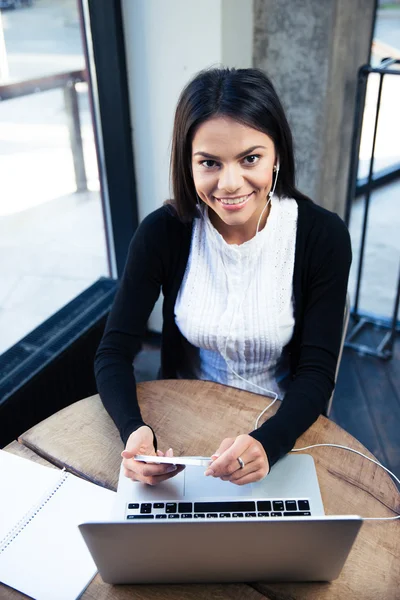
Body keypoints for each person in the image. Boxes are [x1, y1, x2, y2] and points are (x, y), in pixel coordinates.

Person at [94, 67, 352, 487]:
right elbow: (113, 352)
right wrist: (134, 431)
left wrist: (270, 442)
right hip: (182, 423)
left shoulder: (322, 236)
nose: (230, 185)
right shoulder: (163, 232)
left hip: (283, 427)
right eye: (209, 163)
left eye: (250, 158)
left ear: (277, 156)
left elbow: (317, 371)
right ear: (188, 163)